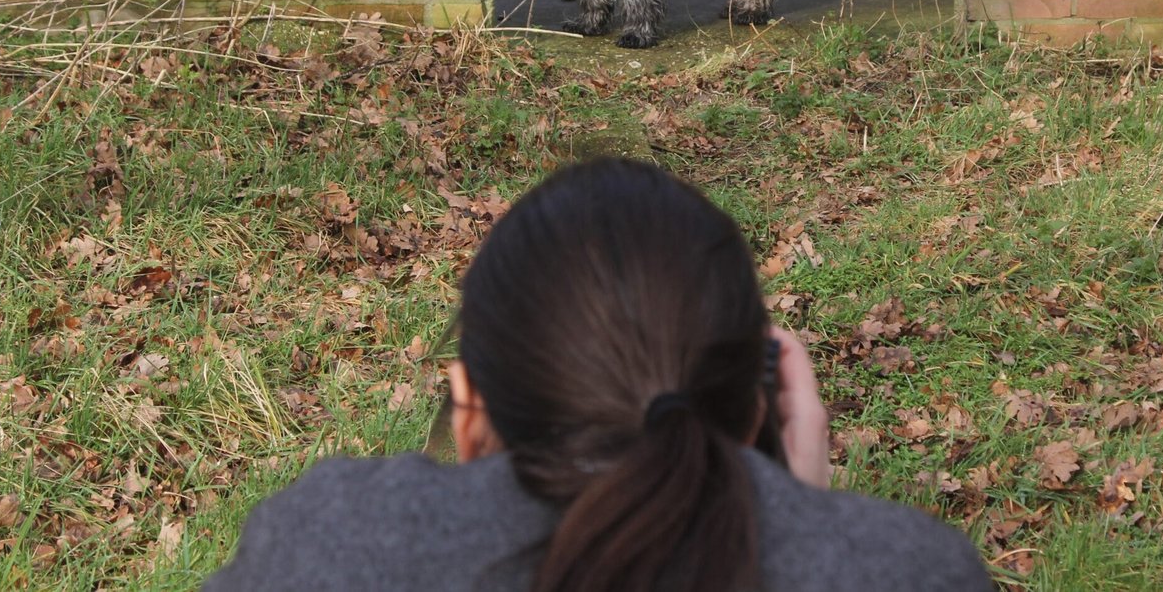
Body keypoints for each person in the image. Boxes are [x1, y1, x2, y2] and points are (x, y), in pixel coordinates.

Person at [205, 158, 991, 591]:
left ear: (469, 408)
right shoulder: (911, 571)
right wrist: (800, 511)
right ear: (762, 408)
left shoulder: (323, 552)